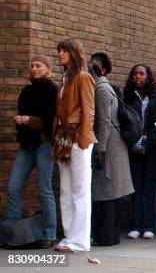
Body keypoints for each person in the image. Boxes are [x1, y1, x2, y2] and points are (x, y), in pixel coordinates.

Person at [8, 55, 58, 249]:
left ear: (47, 69)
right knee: (13, 187)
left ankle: (49, 234)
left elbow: (51, 119)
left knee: (45, 190)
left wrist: (29, 120)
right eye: (32, 66)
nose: (34, 69)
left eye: (38, 66)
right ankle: (13, 234)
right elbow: (22, 111)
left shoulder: (52, 90)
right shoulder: (27, 90)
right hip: (27, 145)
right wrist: (21, 120)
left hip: (44, 144)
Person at [53, 38, 96, 253]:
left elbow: (89, 110)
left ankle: (80, 241)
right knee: (66, 190)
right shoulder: (66, 77)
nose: (60, 54)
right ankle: (70, 237)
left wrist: (84, 138)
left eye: (64, 50)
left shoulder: (83, 77)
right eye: (59, 50)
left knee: (80, 190)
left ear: (74, 52)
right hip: (64, 138)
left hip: (78, 138)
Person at [89, 54, 134, 246]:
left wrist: (100, 150)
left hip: (109, 147)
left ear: (104, 70)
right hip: (115, 145)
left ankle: (107, 237)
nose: (91, 68)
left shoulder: (101, 89)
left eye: (95, 66)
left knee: (107, 193)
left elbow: (104, 122)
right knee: (111, 194)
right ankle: (109, 236)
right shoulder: (107, 87)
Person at [124, 64, 156, 240]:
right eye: (135, 74)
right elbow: (123, 120)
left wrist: (148, 142)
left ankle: (149, 225)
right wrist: (131, 140)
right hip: (133, 147)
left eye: (141, 74)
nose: (138, 77)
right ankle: (136, 225)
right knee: (136, 187)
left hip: (151, 149)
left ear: (147, 76)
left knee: (149, 187)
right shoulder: (128, 96)